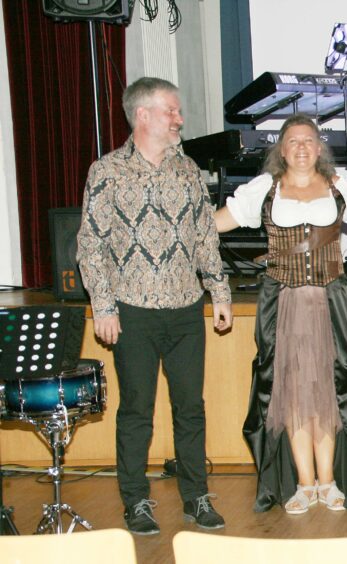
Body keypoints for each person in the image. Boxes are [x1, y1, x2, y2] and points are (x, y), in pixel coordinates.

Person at [76, 77, 232, 535]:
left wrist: (219, 292)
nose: (179, 119)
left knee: (191, 408)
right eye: (171, 111)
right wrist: (103, 306)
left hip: (186, 309)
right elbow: (90, 245)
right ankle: (136, 502)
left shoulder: (188, 170)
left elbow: (205, 238)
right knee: (136, 411)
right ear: (143, 115)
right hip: (132, 312)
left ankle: (196, 496)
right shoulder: (106, 171)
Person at [214, 114, 347, 513]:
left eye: (309, 140)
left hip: (329, 302)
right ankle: (304, 484)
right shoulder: (265, 190)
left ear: (320, 147)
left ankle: (329, 481)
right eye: (293, 141)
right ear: (282, 149)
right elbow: (216, 223)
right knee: (290, 393)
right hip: (284, 304)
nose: (302, 147)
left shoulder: (341, 188)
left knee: (329, 390)